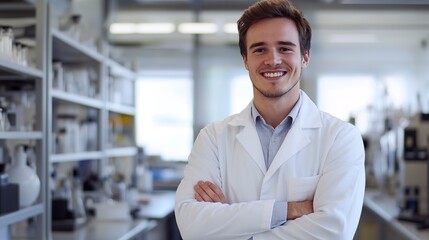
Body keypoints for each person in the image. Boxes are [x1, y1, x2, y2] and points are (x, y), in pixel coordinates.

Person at [175, 0, 365, 239]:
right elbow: (192, 226)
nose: (273, 60)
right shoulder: (213, 138)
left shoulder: (340, 138)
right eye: (259, 49)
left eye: (285, 48)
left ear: (305, 57)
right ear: (245, 59)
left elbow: (334, 231)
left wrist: (230, 226)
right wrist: (289, 209)